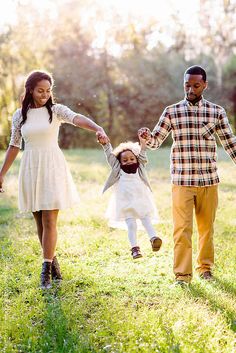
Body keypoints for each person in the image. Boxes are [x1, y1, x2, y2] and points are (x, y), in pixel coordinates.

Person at [0, 70, 108, 289]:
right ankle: (53, 262)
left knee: (50, 220)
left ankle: (45, 272)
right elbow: (13, 145)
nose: (45, 95)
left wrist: (97, 128)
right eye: (40, 91)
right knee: (39, 222)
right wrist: (1, 174)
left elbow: (77, 119)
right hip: (31, 167)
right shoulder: (20, 115)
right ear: (30, 90)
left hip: (51, 166)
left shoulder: (56, 111)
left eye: (48, 91)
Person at [139, 65, 236, 285]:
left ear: (205, 85)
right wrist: (147, 137)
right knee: (181, 230)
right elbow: (156, 140)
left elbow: (231, 144)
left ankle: (205, 268)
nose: (190, 89)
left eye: (196, 85)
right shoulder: (171, 111)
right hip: (182, 181)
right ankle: (182, 275)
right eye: (187, 85)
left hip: (209, 181)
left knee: (206, 229)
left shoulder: (216, 112)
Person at [97, 133, 162, 259]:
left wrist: (143, 143)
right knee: (131, 225)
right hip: (125, 203)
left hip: (141, 200)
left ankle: (153, 238)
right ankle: (134, 249)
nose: (129, 161)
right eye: (125, 160)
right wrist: (106, 144)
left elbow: (143, 153)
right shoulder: (118, 168)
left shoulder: (140, 166)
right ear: (120, 162)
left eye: (132, 159)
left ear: (136, 158)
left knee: (146, 220)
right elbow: (110, 157)